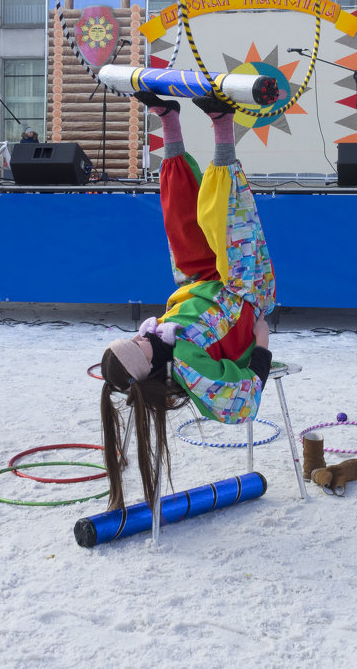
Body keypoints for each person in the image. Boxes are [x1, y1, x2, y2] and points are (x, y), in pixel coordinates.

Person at [98, 92, 276, 511]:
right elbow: (240, 402)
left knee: (178, 215)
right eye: (138, 345)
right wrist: (263, 345)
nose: (141, 335)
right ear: (148, 366)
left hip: (199, 280)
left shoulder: (161, 339)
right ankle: (221, 123)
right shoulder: (189, 368)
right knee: (223, 214)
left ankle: (170, 120)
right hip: (243, 290)